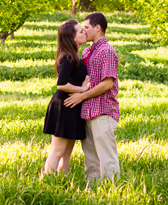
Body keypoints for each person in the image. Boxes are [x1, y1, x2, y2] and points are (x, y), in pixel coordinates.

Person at [64, 11, 119, 184]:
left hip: (102, 110)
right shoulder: (87, 51)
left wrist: (82, 96)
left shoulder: (107, 51)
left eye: (86, 27)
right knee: (91, 159)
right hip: (87, 111)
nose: (84, 31)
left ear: (98, 28)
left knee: (106, 157)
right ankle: (93, 192)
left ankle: (113, 192)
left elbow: (107, 83)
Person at [41, 19, 90, 176]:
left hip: (72, 106)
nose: (84, 33)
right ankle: (44, 183)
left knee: (67, 152)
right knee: (57, 151)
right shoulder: (68, 57)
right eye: (81, 31)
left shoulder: (74, 55)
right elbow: (61, 84)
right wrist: (82, 89)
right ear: (73, 37)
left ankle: (63, 182)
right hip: (64, 105)